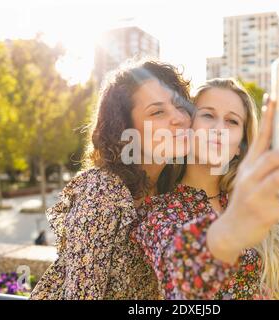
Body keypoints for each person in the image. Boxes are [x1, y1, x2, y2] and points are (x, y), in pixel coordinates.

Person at [133, 79, 279, 299]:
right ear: (187, 129)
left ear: (240, 147)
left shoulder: (254, 204)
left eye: (232, 121)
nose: (219, 129)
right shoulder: (158, 214)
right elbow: (180, 280)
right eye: (208, 115)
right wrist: (231, 231)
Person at [30, 59, 193, 299]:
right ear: (126, 129)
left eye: (180, 106)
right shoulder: (101, 191)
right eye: (157, 111)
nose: (179, 118)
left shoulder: (170, 190)